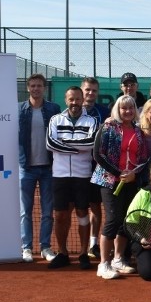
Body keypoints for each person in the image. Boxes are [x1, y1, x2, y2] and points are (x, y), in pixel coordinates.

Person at [91, 95, 147, 280]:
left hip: (131, 181)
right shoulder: (108, 127)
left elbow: (142, 159)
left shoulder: (138, 131)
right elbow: (98, 154)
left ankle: (118, 259)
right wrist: (118, 172)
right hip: (109, 180)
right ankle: (103, 264)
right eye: (124, 108)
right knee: (113, 219)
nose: (128, 111)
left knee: (126, 220)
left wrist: (134, 174)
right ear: (118, 110)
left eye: (131, 108)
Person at [45, 86, 98, 269]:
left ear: (82, 100)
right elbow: (50, 143)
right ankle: (63, 253)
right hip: (60, 176)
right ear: (65, 100)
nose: (74, 103)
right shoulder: (55, 119)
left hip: (83, 175)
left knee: (82, 213)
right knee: (60, 215)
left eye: (77, 99)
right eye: (71, 99)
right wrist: (77, 147)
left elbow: (91, 143)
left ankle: (84, 253)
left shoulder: (91, 121)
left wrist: (64, 144)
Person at [19, 73, 60, 263]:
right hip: (26, 167)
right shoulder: (18, 110)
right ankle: (26, 248)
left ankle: (45, 247)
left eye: (39, 86)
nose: (36, 89)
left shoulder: (54, 109)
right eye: (33, 86)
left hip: (48, 168)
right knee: (25, 211)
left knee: (47, 211)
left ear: (44, 88)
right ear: (28, 88)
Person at [81, 77, 109, 260]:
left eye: (94, 91)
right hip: (78, 168)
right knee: (80, 207)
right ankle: (78, 248)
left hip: (99, 169)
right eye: (88, 90)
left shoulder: (104, 112)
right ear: (82, 91)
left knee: (97, 207)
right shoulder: (72, 111)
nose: (91, 93)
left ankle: (94, 244)